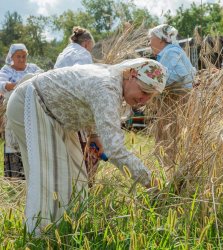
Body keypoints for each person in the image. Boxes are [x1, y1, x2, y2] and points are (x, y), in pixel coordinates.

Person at [6, 58, 167, 233]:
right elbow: (116, 150)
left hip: (54, 115)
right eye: (143, 91)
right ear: (132, 74)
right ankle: (43, 236)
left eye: (150, 96)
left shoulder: (113, 82)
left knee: (76, 179)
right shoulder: (106, 88)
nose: (144, 100)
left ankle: (68, 231)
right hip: (30, 105)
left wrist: (95, 136)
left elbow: (87, 103)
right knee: (52, 177)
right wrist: (150, 181)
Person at [148, 24, 196, 169]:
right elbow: (190, 72)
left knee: (169, 137)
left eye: (151, 39)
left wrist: (156, 85)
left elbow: (181, 74)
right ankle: (171, 169)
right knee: (170, 137)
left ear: (161, 39)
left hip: (175, 100)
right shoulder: (171, 51)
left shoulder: (170, 52)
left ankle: (170, 170)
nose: (149, 43)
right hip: (176, 99)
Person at [54, 26, 96, 185]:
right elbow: (84, 82)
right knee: (80, 148)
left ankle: (70, 183)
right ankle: (83, 185)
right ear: (86, 44)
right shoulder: (82, 54)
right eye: (90, 48)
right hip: (73, 108)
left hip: (57, 106)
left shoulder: (64, 53)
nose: (90, 52)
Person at [0, 43, 42, 178]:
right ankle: (16, 178)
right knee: (14, 141)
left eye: (24, 56)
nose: (22, 59)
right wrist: (12, 85)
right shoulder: (6, 70)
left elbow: (43, 77)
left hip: (32, 110)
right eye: (18, 56)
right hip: (12, 110)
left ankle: (34, 176)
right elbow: (2, 84)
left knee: (32, 140)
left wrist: (21, 84)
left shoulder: (33, 68)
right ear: (12, 57)